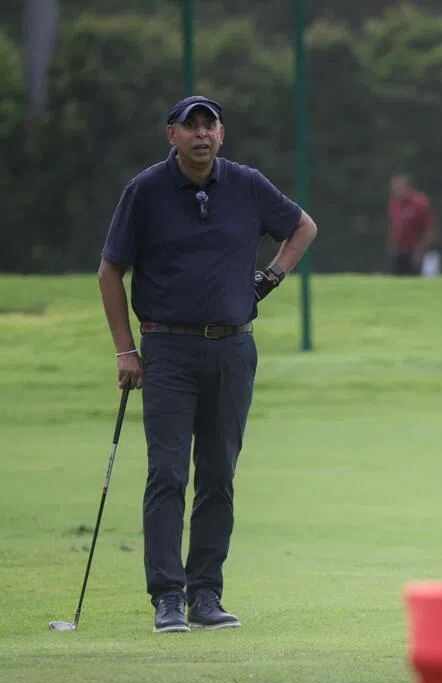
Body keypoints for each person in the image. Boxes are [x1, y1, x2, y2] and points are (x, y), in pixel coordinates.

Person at [98, 95, 318, 633]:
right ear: (171, 135)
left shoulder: (246, 184)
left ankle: (205, 594)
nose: (200, 133)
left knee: (218, 475)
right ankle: (167, 597)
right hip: (167, 350)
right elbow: (110, 272)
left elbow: (302, 227)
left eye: (208, 125)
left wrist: (270, 277)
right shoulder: (145, 190)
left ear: (221, 134)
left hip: (232, 349)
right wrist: (125, 350)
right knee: (168, 473)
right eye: (189, 125)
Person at [386, 174, 437, 276]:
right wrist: (391, 247)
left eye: (399, 188)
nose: (397, 191)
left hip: (416, 250)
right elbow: (395, 227)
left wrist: (421, 251)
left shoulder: (419, 203)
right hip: (400, 250)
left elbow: (430, 229)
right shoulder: (394, 204)